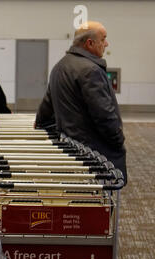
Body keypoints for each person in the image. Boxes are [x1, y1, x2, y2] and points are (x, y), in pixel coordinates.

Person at [35, 21, 127, 184]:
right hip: (95, 153)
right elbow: (104, 115)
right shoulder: (90, 70)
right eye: (103, 39)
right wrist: (118, 139)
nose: (106, 44)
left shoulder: (60, 66)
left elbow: (44, 112)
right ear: (90, 43)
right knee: (100, 202)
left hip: (71, 148)